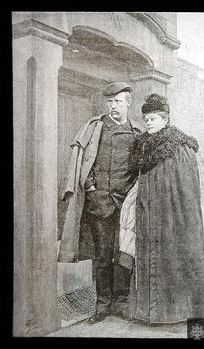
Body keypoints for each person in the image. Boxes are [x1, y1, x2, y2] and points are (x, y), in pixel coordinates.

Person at [120, 93, 204, 323]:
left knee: (172, 260)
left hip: (171, 217)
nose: (149, 122)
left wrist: (167, 205)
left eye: (154, 118)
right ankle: (146, 313)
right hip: (146, 213)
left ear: (165, 119)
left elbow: (185, 190)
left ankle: (175, 313)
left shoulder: (179, 145)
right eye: (147, 118)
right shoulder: (142, 146)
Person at [58, 81, 144, 324]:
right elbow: (85, 161)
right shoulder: (95, 127)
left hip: (126, 204)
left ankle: (122, 302)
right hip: (100, 203)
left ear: (128, 103)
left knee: (125, 254)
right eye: (110, 101)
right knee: (104, 257)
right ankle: (103, 305)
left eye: (117, 101)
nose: (113, 106)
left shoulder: (137, 132)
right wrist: (91, 187)